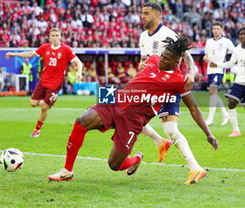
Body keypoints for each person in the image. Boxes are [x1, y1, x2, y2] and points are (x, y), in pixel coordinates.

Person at [48, 36, 219, 184]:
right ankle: (67, 171)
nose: (161, 59)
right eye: (162, 55)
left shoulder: (179, 80)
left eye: (166, 58)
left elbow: (194, 109)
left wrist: (208, 133)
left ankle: (136, 159)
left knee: (114, 165)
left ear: (175, 63)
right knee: (81, 121)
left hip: (134, 118)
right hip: (116, 101)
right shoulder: (153, 60)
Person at [138, 2, 205, 183]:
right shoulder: (143, 37)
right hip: (151, 86)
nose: (143, 17)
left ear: (157, 16)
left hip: (168, 85)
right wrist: (141, 68)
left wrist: (191, 72)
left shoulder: (168, 34)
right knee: (132, 118)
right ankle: (161, 143)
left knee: (170, 129)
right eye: (142, 13)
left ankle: (195, 168)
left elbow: (187, 56)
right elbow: (143, 62)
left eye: (146, 14)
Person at [6, 28, 83, 137]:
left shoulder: (66, 50)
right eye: (53, 36)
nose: (55, 38)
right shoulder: (45, 48)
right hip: (43, 80)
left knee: (43, 108)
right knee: (32, 104)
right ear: (50, 37)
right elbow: (31, 54)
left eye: (57, 35)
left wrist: (79, 72)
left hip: (55, 83)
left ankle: (37, 130)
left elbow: (78, 62)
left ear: (60, 37)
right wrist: (14, 55)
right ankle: (47, 103)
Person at [209, 28, 245, 137]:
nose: (242, 36)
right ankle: (236, 130)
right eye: (240, 34)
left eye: (244, 34)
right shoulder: (236, 50)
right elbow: (231, 63)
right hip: (238, 82)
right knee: (231, 102)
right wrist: (218, 65)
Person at [203, 22, 234, 126]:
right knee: (213, 94)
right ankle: (225, 115)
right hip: (210, 70)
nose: (215, 30)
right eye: (214, 29)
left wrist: (227, 64)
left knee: (212, 91)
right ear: (212, 30)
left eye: (217, 28)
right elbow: (205, 55)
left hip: (219, 70)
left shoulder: (226, 41)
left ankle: (210, 119)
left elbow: (235, 52)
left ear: (221, 30)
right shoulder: (209, 42)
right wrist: (205, 58)